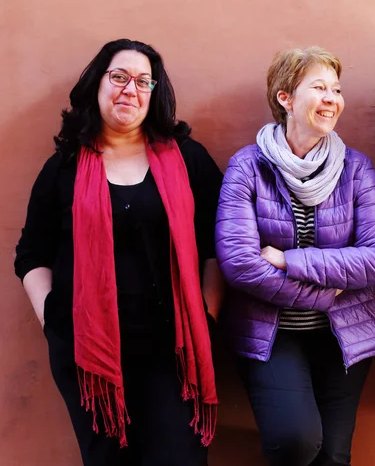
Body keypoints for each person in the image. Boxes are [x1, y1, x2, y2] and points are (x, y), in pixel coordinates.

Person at [14, 39, 222, 466]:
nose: (131, 89)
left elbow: (218, 242)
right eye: (120, 77)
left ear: (154, 93)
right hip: (89, 355)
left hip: (173, 352)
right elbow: (31, 252)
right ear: (97, 84)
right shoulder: (64, 167)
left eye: (144, 81)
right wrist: (53, 317)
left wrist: (209, 311)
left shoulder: (188, 159)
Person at [215, 46, 375, 466]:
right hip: (270, 334)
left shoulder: (356, 169)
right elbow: (240, 264)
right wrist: (324, 291)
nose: (332, 98)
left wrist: (288, 260)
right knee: (295, 441)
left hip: (345, 333)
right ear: (285, 98)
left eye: (336, 89)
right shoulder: (247, 168)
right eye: (319, 87)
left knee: (332, 456)